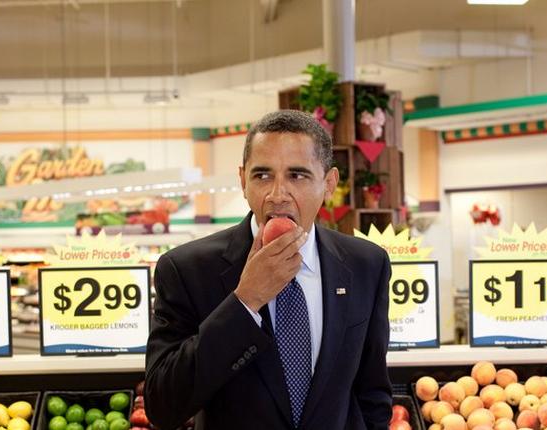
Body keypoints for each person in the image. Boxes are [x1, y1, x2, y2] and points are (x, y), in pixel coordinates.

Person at [144, 109, 392, 430]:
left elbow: (372, 393)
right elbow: (163, 406)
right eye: (262, 175)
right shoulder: (186, 270)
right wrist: (246, 300)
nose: (277, 195)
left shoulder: (366, 265)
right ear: (242, 181)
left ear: (329, 184)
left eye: (297, 175)